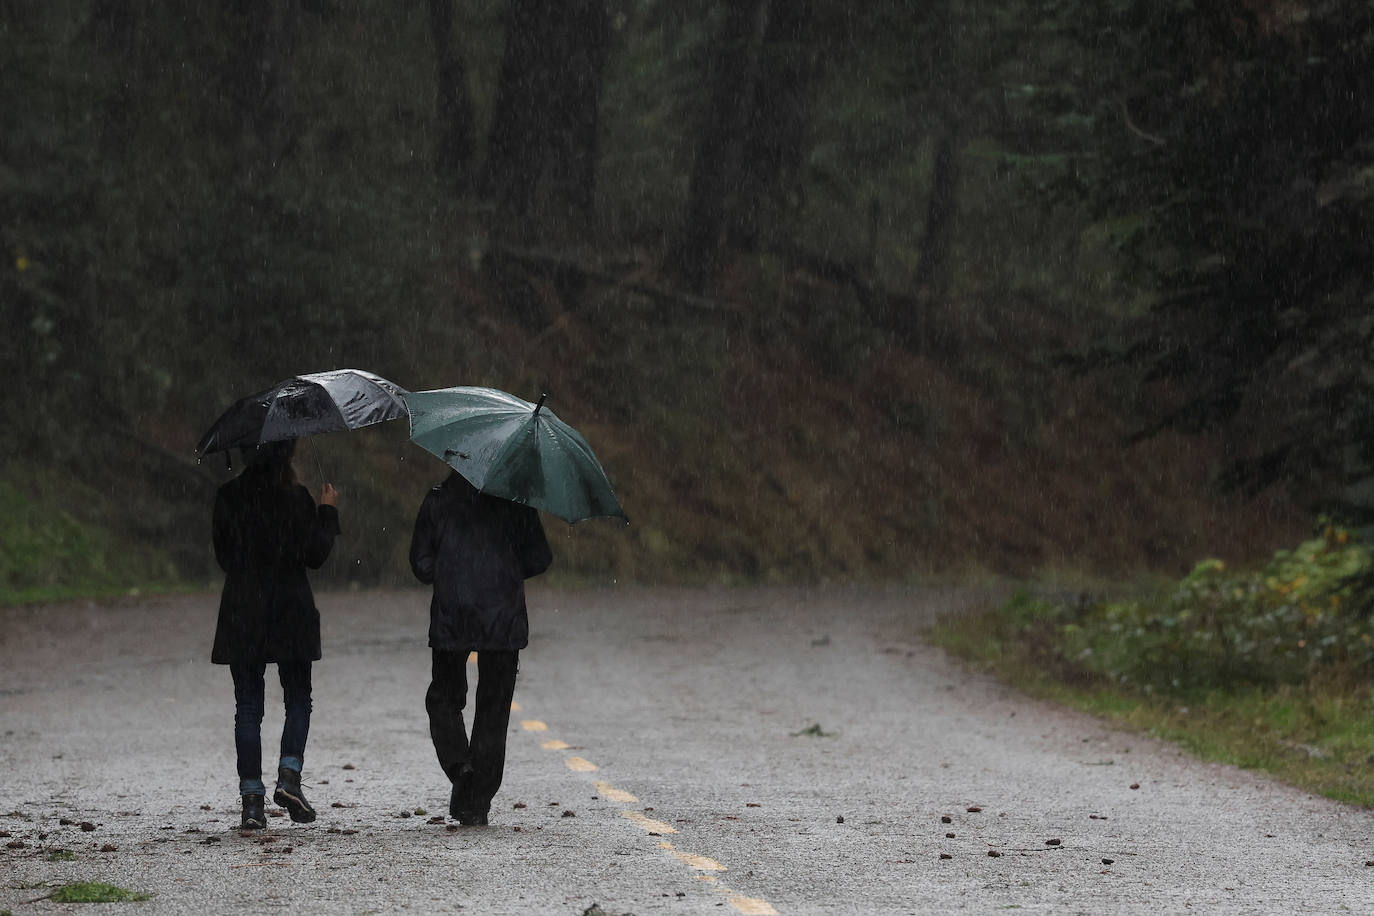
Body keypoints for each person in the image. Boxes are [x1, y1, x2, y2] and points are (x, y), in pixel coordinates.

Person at [409, 470, 552, 826]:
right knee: (494, 706)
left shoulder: (438, 499)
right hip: (502, 616)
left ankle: (460, 766)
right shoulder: (515, 500)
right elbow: (539, 558)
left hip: (451, 613)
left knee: (443, 696)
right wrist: (503, 570)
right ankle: (476, 801)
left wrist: (449, 571)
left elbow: (421, 565)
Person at [210, 438, 340, 830]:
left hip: (243, 611)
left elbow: (224, 557)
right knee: (298, 697)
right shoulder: (296, 498)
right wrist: (328, 512)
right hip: (290, 610)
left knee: (248, 706)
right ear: (287, 454)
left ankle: (252, 802)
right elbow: (315, 555)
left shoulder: (228, 497)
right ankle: (289, 777)